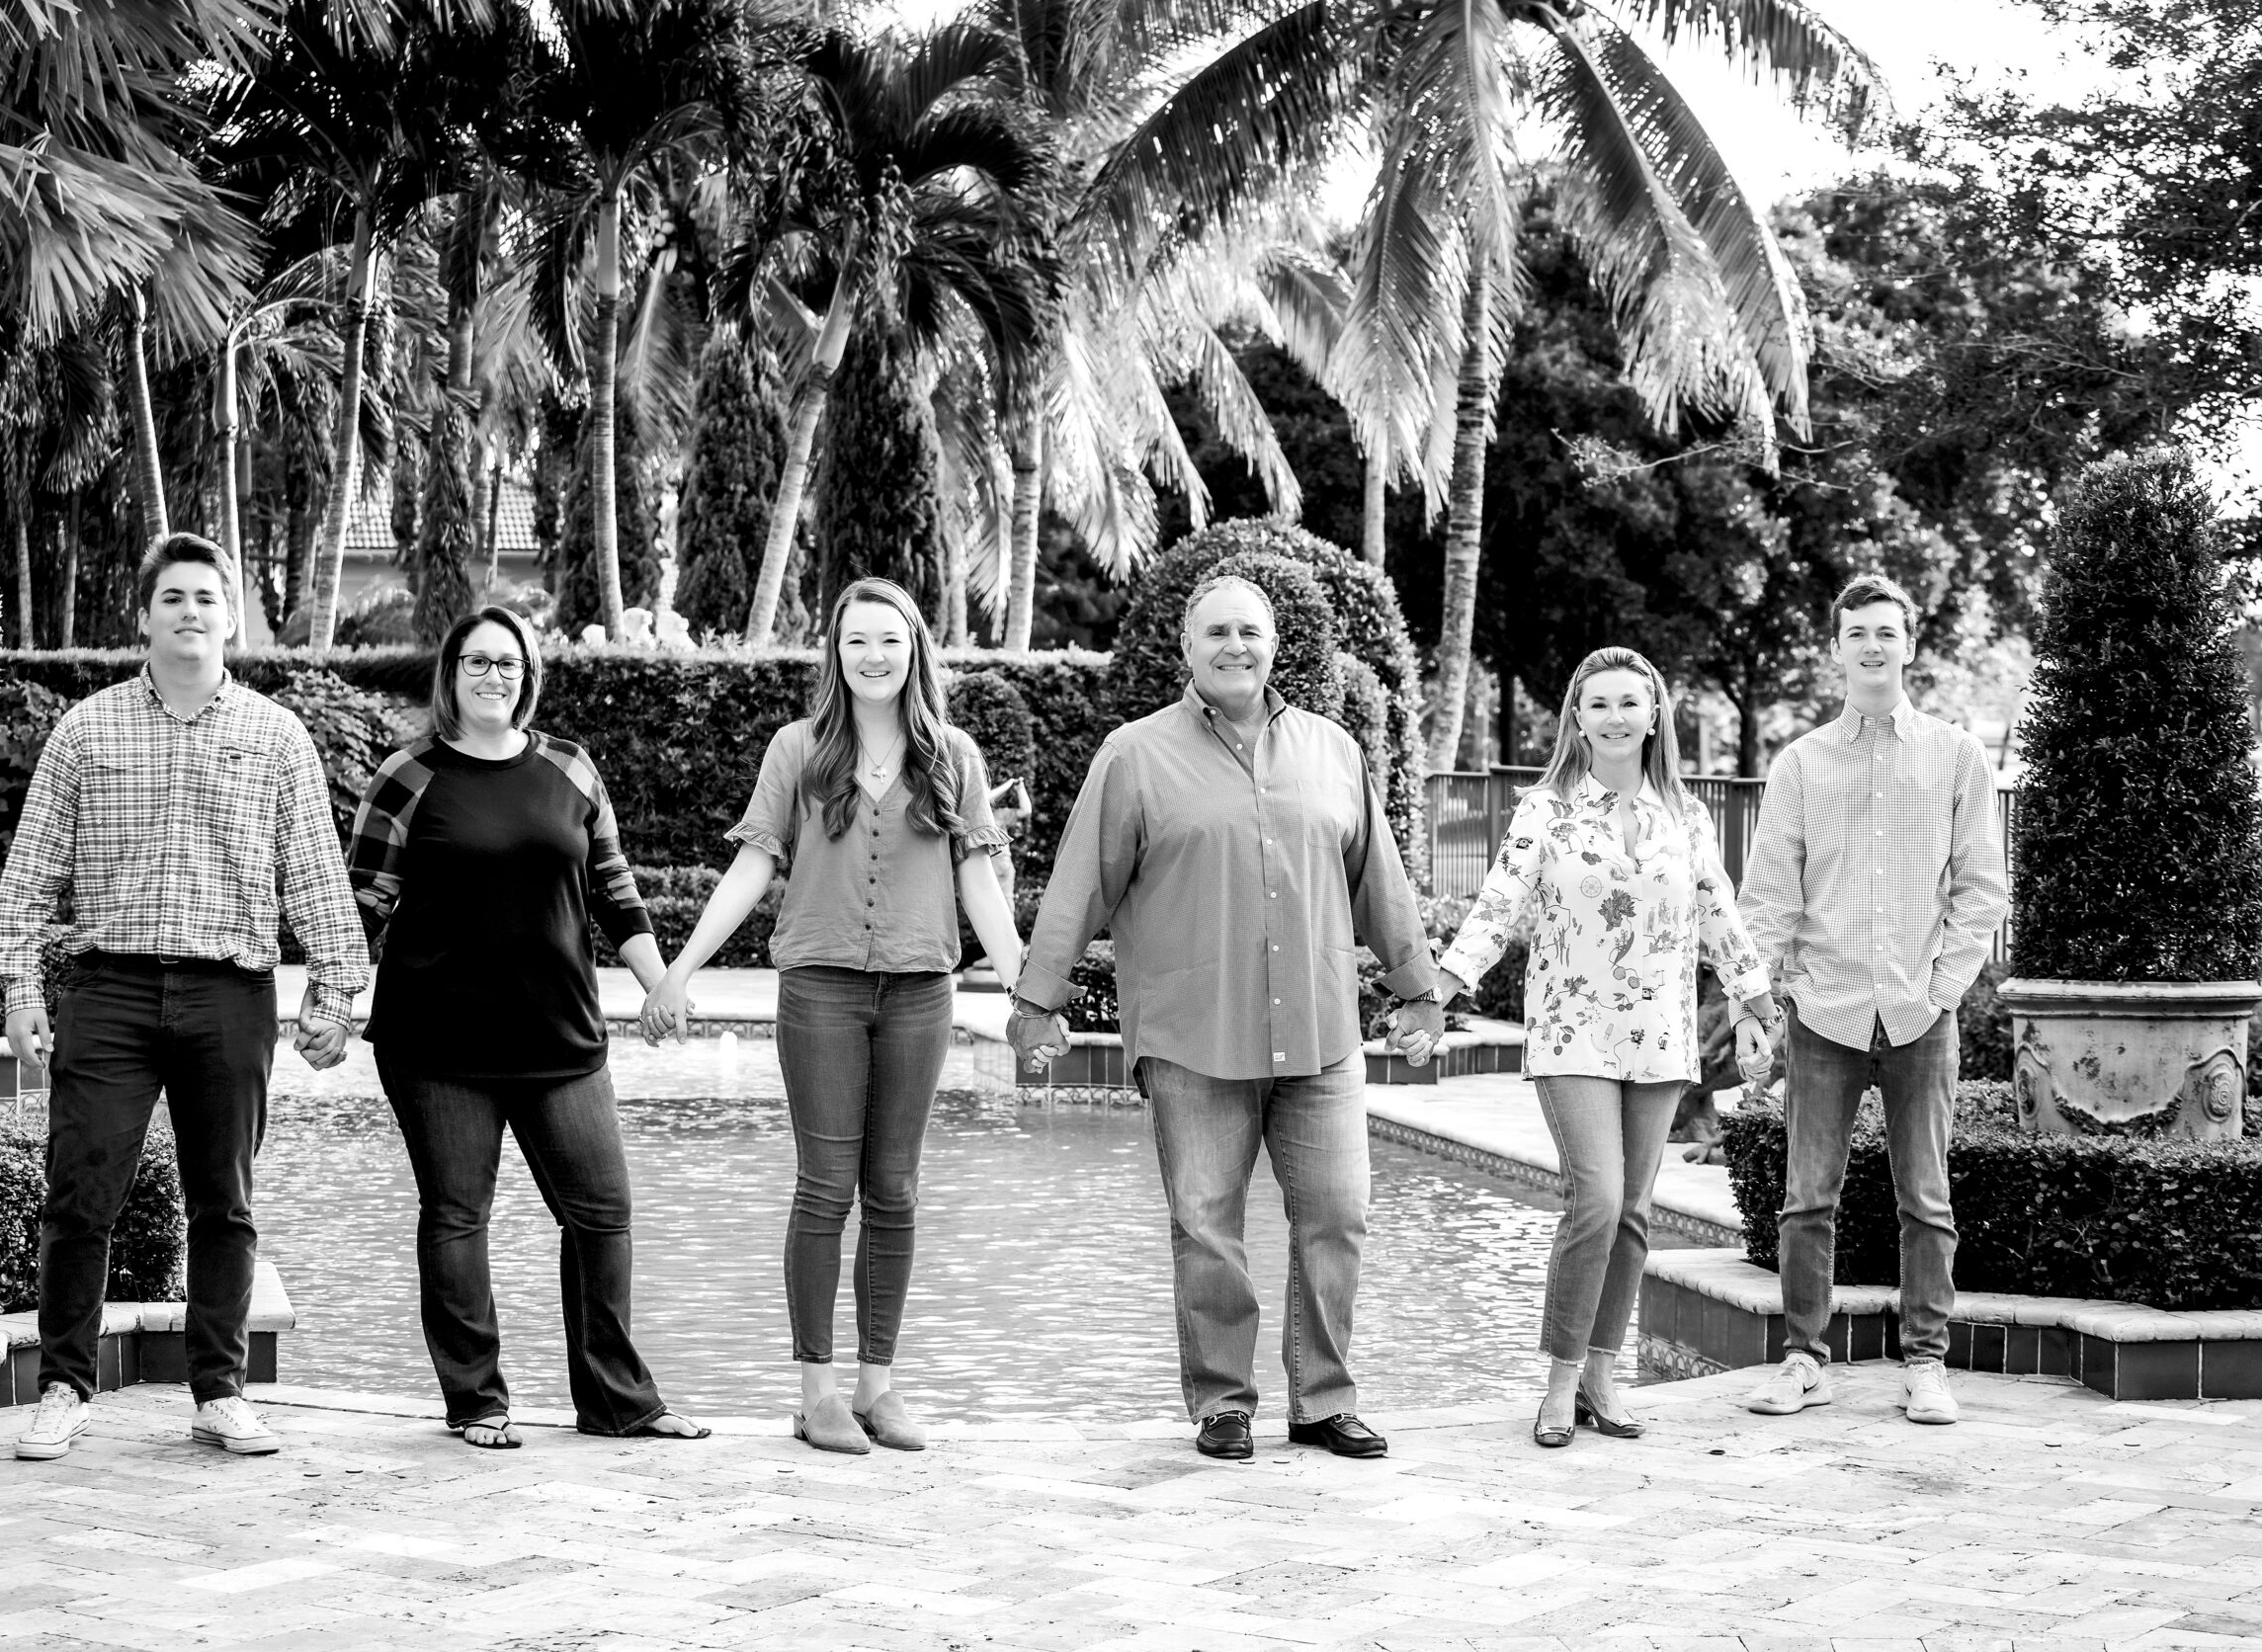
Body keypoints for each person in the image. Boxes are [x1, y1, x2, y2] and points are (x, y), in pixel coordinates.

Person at [1008, 573, 1443, 1462]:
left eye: (1249, 630)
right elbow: (1081, 882)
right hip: (1192, 1035)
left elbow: (1379, 880)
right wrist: (1034, 1001)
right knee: (1207, 1225)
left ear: (1275, 642)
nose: (1234, 646)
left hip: (1320, 1032)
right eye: (1216, 633)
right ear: (1187, 649)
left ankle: (1323, 1399)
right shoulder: (1133, 756)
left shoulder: (1334, 751)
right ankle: (1223, 1404)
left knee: (1338, 1214)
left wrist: (1415, 988)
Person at [0, 533, 367, 1461]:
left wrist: (336, 994)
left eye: (207, 597)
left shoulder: (277, 738)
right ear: (145, 618)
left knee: (224, 1201)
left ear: (230, 618)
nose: (190, 611)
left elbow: (316, 876)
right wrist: (18, 987)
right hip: (108, 990)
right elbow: (32, 870)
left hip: (229, 995)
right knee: (81, 1194)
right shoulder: (86, 731)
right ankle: (66, 1387)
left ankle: (219, 1392)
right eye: (173, 598)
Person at [639, 579, 1026, 1457]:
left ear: (915, 649)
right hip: (818, 989)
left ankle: (876, 1389)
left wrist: (1026, 995)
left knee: (894, 1191)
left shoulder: (953, 755)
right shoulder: (797, 749)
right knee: (825, 1188)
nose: (874, 656)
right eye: (857, 642)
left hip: (922, 992)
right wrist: (679, 972)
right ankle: (816, 1393)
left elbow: (979, 887)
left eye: (890, 640)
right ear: (836, 653)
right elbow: (751, 868)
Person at [346, 607, 707, 1448]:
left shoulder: (571, 769)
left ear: (528, 675)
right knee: (457, 1214)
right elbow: (364, 903)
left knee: (602, 1214)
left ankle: (618, 1401)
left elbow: (615, 891)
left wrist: (660, 985)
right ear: (450, 674)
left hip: (560, 1037)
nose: (494, 677)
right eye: (477, 661)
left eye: (508, 663)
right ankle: (477, 1401)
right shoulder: (409, 773)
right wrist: (328, 1002)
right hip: (438, 1043)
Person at [1434, 648, 1779, 1448]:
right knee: (1595, 1199)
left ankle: (1601, 1373)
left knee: (1632, 1210)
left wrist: (1758, 1004)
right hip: (1571, 1031)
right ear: (1577, 720)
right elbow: (1497, 905)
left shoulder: (1685, 816)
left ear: (1654, 714)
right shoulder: (1545, 810)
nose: (1617, 717)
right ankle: (1559, 1381)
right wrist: (1440, 991)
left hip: (1658, 1038)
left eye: (1631, 702)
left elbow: (1720, 916)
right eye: (1600, 705)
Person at [1738, 573, 2008, 1426]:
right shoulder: (1801, 763)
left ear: (1910, 645)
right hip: (1823, 1010)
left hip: (1922, 1013)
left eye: (1886, 632)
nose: (1872, 646)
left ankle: (1926, 1363)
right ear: (1835, 649)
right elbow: (1769, 894)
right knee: (1805, 1199)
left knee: (1925, 1198)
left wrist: (1942, 989)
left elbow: (1982, 888)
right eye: (1856, 633)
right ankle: (1802, 1360)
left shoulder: (1958, 755)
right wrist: (1759, 995)